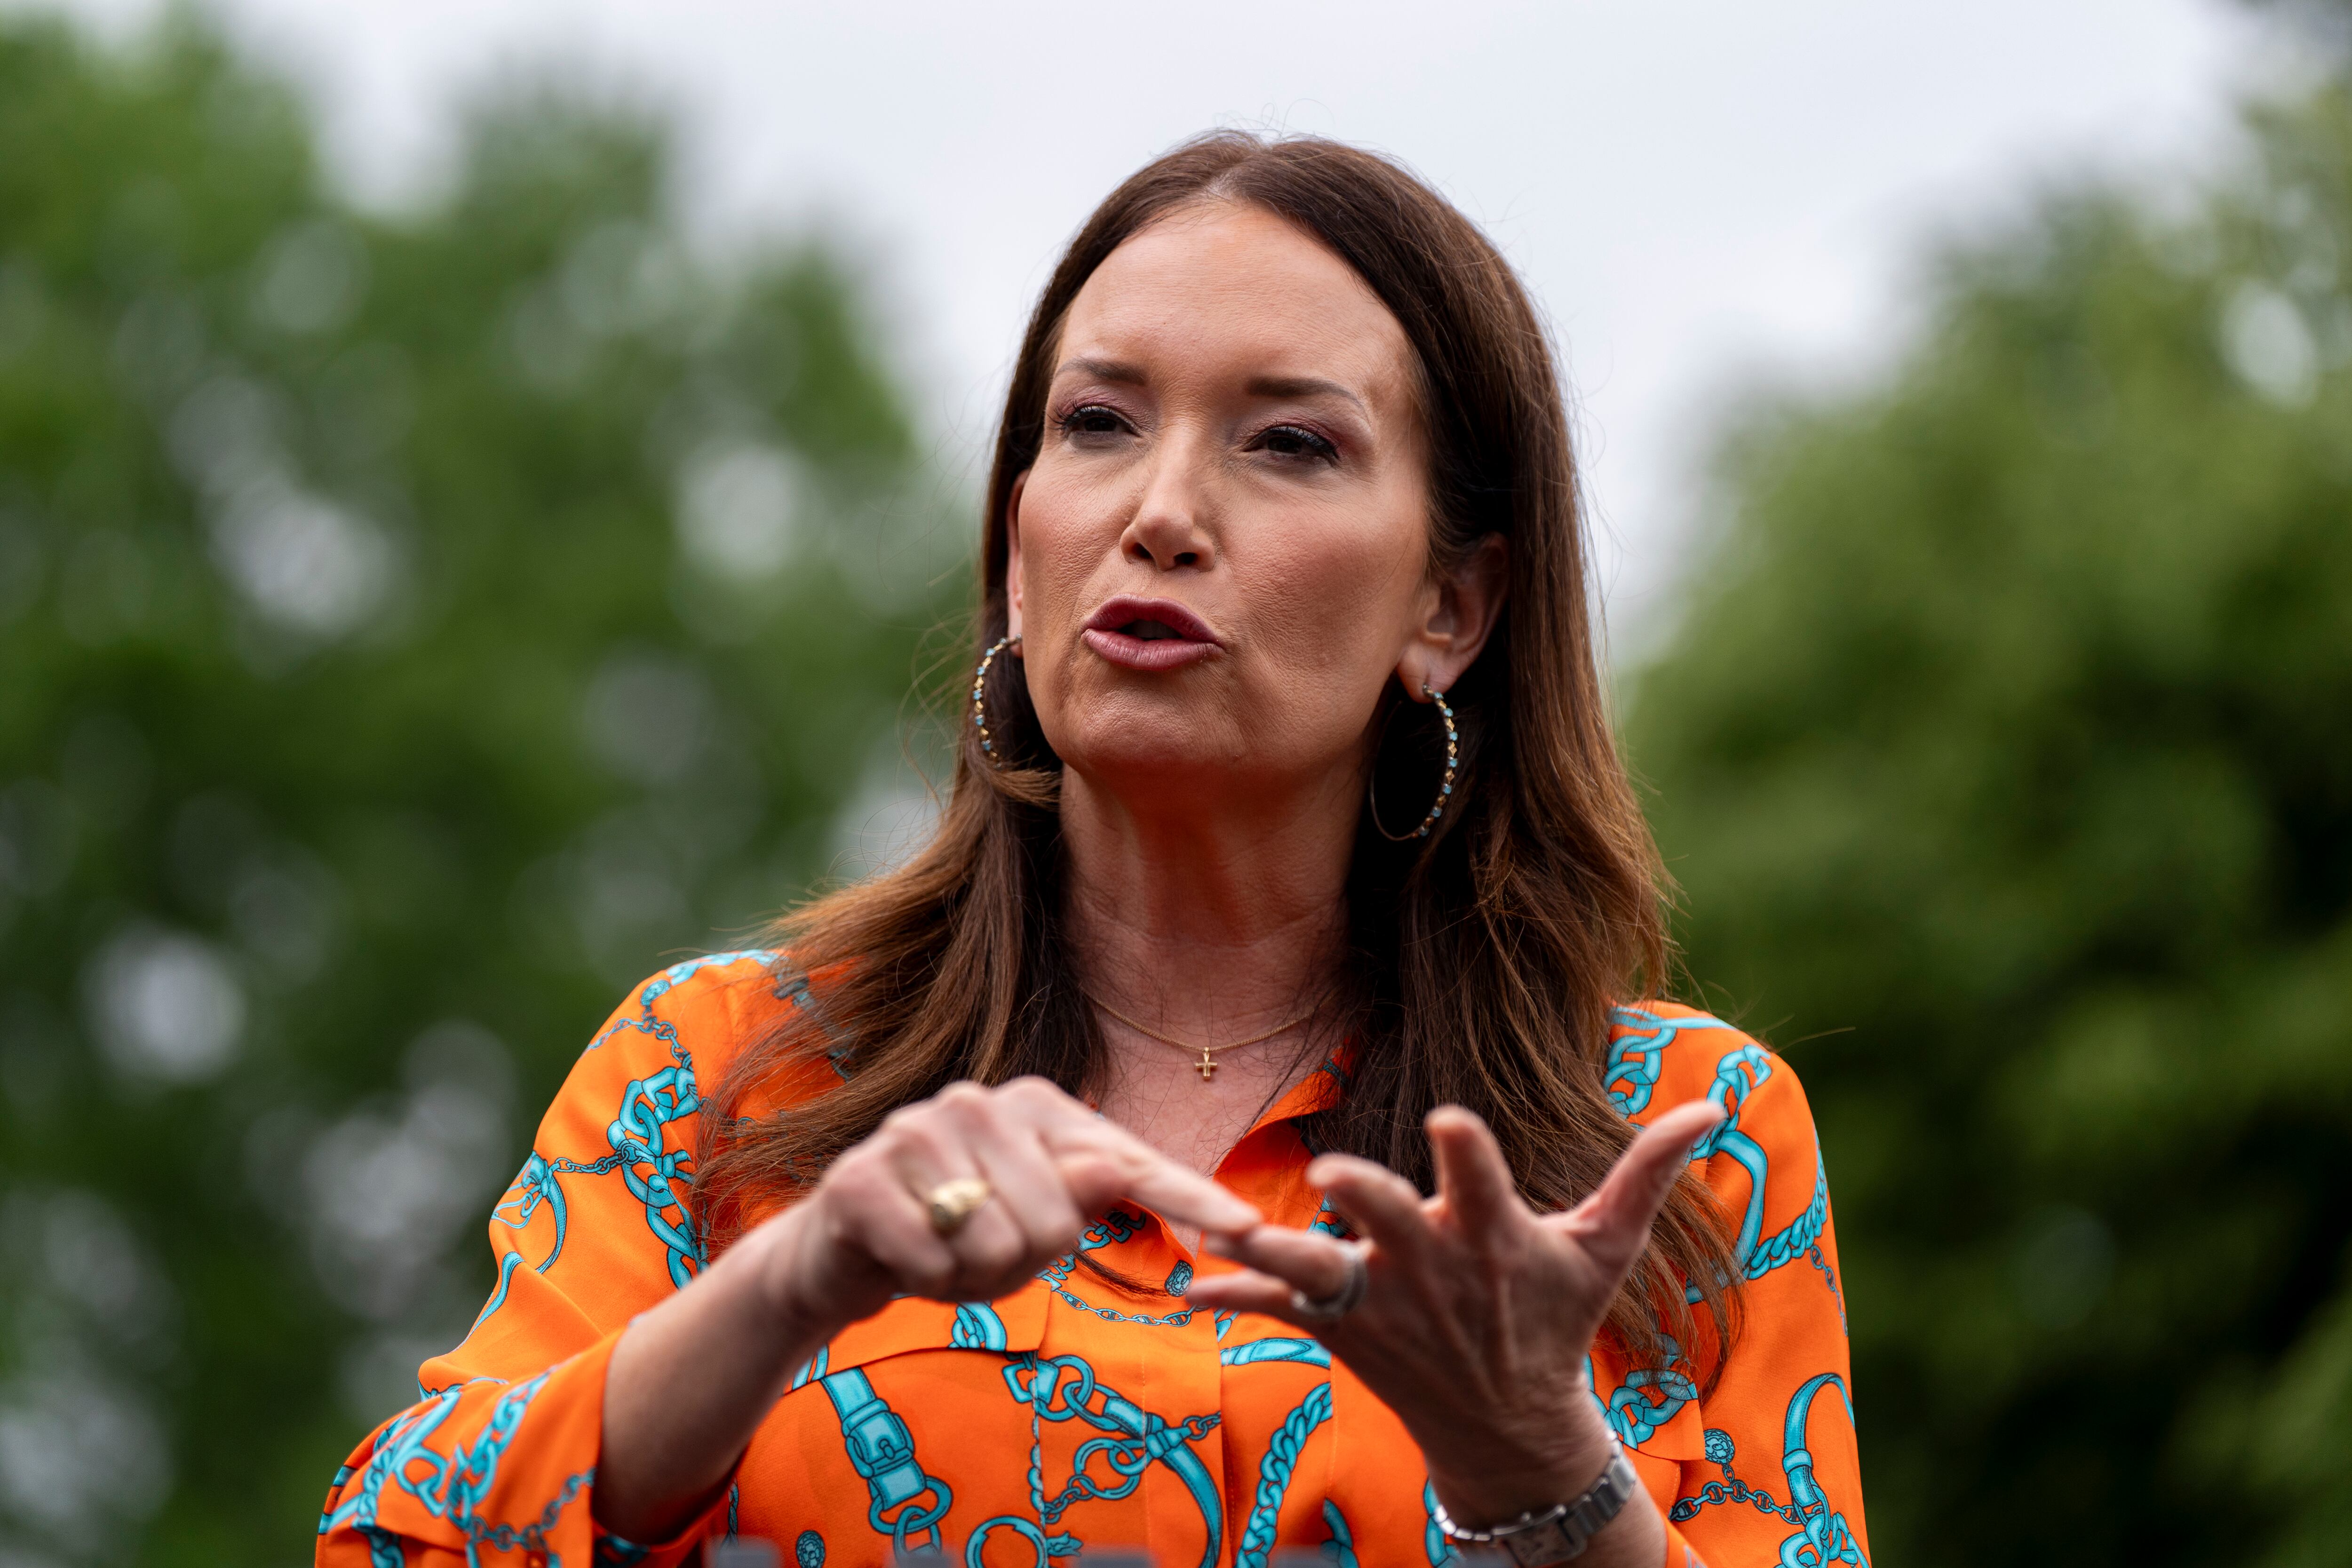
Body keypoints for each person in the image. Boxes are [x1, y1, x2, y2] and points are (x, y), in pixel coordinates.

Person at [317, 132, 1865, 1568]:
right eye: (1099, 424)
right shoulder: (730, 1065)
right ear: (1014, 532)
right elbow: (396, 1538)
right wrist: (789, 1291)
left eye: (1289, 445)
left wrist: (1534, 1457)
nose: (1162, 511)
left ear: (1449, 607)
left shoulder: (1669, 1136)